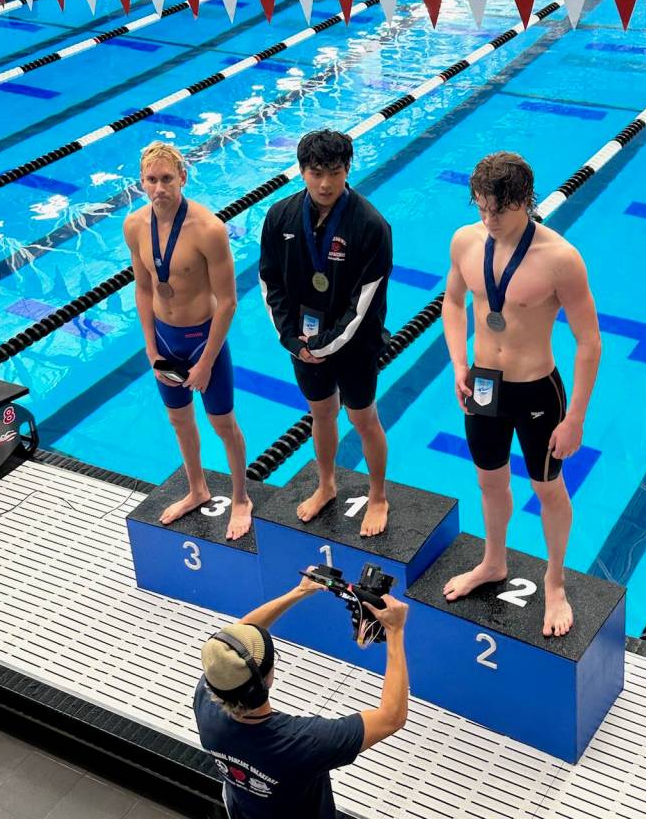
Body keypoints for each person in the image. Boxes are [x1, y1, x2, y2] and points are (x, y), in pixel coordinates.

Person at [441, 151, 601, 637]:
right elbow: (451, 302)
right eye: (482, 207)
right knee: (489, 481)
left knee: (547, 488)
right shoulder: (465, 241)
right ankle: (493, 561)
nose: (488, 219)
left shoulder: (559, 259)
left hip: (536, 390)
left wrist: (574, 418)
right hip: (484, 385)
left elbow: (589, 343)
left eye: (499, 210)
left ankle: (554, 582)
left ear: (526, 202)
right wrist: (459, 363)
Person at [259, 129, 393, 537]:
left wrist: (322, 344)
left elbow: (364, 302)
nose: (324, 183)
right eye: (316, 172)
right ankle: (326, 485)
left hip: (354, 345)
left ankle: (378, 496)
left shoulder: (371, 225)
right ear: (301, 171)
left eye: (334, 172)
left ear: (347, 169)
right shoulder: (280, 217)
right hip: (303, 343)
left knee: (363, 417)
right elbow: (270, 282)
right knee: (320, 413)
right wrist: (292, 340)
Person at [194, 570, 408, 819]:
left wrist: (300, 591)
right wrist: (395, 631)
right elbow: (391, 717)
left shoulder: (207, 701)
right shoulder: (301, 742)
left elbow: (231, 643)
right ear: (268, 679)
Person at [123, 141, 252, 540]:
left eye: (166, 179)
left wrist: (207, 361)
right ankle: (197, 489)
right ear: (141, 182)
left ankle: (242, 498)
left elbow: (228, 302)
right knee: (179, 420)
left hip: (202, 341)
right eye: (151, 180)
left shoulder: (208, 229)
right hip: (164, 339)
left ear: (183, 177)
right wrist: (150, 345)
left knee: (223, 424)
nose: (159, 188)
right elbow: (143, 289)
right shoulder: (134, 226)